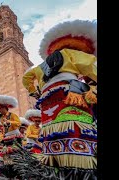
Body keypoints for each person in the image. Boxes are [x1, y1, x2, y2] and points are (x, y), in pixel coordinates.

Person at [22, 20, 97, 179]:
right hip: (68, 91)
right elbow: (92, 68)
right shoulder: (71, 54)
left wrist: (34, 92)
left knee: (52, 126)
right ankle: (77, 167)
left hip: (47, 96)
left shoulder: (41, 66)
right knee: (75, 125)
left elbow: (26, 78)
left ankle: (53, 165)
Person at [0, 95, 21, 180]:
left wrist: (10, 122)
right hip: (6, 138)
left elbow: (18, 123)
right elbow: (1, 129)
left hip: (15, 136)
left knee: (15, 155)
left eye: (0, 108)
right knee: (6, 156)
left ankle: (18, 173)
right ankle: (10, 174)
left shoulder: (12, 115)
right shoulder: (1, 118)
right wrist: (0, 136)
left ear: (5, 108)